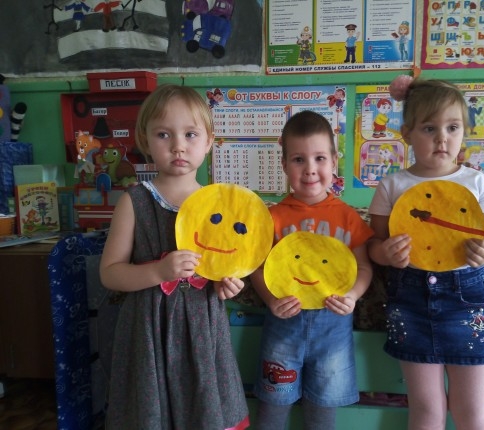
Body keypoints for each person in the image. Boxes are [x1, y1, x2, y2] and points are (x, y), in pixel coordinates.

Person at [368, 76, 484, 430]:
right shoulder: (392, 185)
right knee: (426, 410)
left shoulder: (478, 183)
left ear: (464, 131)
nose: (442, 138)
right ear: (407, 133)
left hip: (466, 300)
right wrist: (386, 253)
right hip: (410, 302)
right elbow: (373, 245)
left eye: (452, 127)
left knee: (473, 412)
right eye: (429, 128)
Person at [99, 84, 249, 430]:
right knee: (151, 411)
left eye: (190, 134)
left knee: (204, 407)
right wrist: (158, 271)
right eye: (164, 134)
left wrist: (227, 284)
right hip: (148, 329)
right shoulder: (134, 201)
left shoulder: (219, 205)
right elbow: (110, 273)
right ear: (145, 140)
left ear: (209, 142)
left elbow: (224, 266)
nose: (178, 145)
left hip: (203, 327)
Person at [250, 110, 374, 430]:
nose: (310, 169)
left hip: (333, 325)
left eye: (319, 158)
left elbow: (363, 266)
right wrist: (270, 300)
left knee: (322, 413)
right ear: (284, 165)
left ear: (334, 162)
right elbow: (257, 267)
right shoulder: (272, 218)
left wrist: (353, 295)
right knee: (272, 408)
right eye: (298, 160)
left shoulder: (347, 217)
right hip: (283, 323)